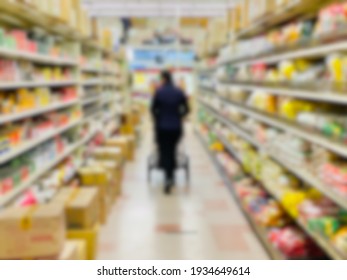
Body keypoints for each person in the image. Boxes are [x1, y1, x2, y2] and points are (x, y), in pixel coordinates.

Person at [151, 70, 190, 195]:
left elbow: (152, 109)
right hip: (176, 128)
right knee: (172, 151)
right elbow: (187, 109)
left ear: (163, 79)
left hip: (162, 128)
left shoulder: (159, 92)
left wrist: (158, 118)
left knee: (165, 152)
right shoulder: (179, 92)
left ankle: (168, 178)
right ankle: (171, 177)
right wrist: (179, 116)